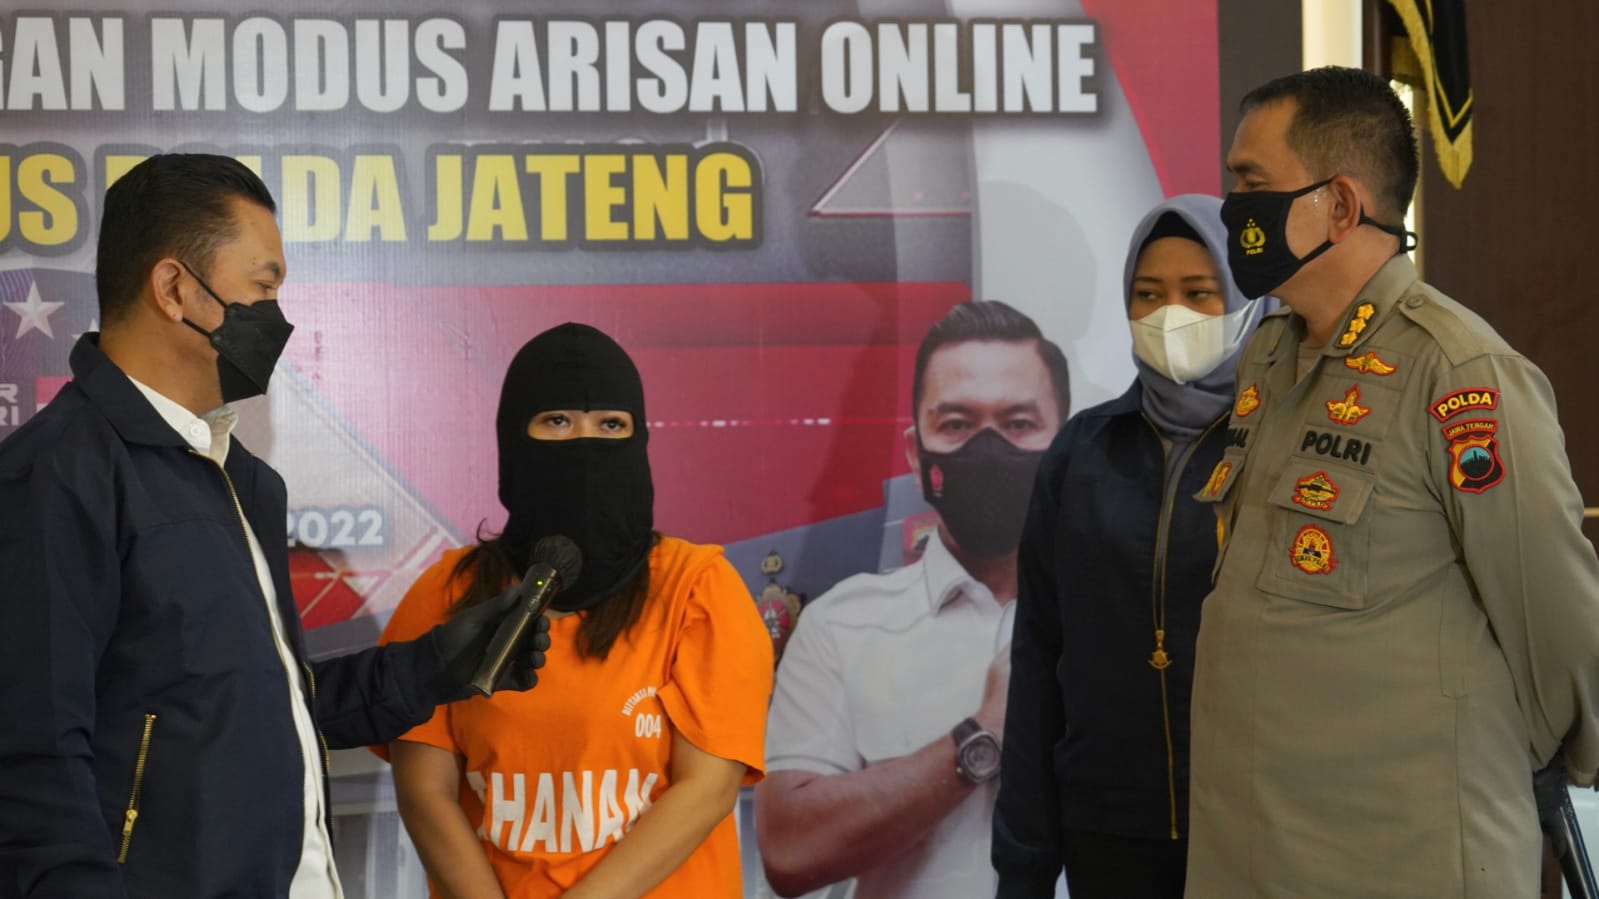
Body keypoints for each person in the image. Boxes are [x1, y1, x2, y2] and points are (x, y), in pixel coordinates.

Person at [0, 154, 552, 898]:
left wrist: (434, 668)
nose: (278, 315)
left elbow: (259, 708)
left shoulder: (244, 480)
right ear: (174, 289)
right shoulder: (55, 476)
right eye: (263, 286)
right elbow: (33, 764)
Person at [1186, 66, 1599, 897]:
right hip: (1254, 850)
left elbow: (1552, 613)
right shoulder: (1268, 354)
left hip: (1396, 855)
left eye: (1251, 184)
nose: (1232, 209)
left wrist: (1532, 757)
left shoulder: (1456, 370)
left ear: (1338, 205)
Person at [375, 322, 774, 898]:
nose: (584, 445)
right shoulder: (446, 593)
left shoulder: (699, 588)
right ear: (514, 439)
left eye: (610, 425)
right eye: (557, 421)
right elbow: (424, 791)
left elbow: (707, 789)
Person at [992, 195, 1275, 898]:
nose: (1169, 314)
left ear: (1245, 302)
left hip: (1259, 829)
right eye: (1148, 294)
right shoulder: (1082, 451)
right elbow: (1038, 657)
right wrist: (1024, 863)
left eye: (1198, 293)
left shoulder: (1282, 445)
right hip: (1108, 832)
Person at [757, 300, 1071, 899]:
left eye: (1018, 423)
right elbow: (790, 850)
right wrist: (985, 734)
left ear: (1065, 444)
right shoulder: (842, 627)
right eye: (956, 424)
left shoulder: (1124, 621)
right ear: (915, 453)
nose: (988, 449)